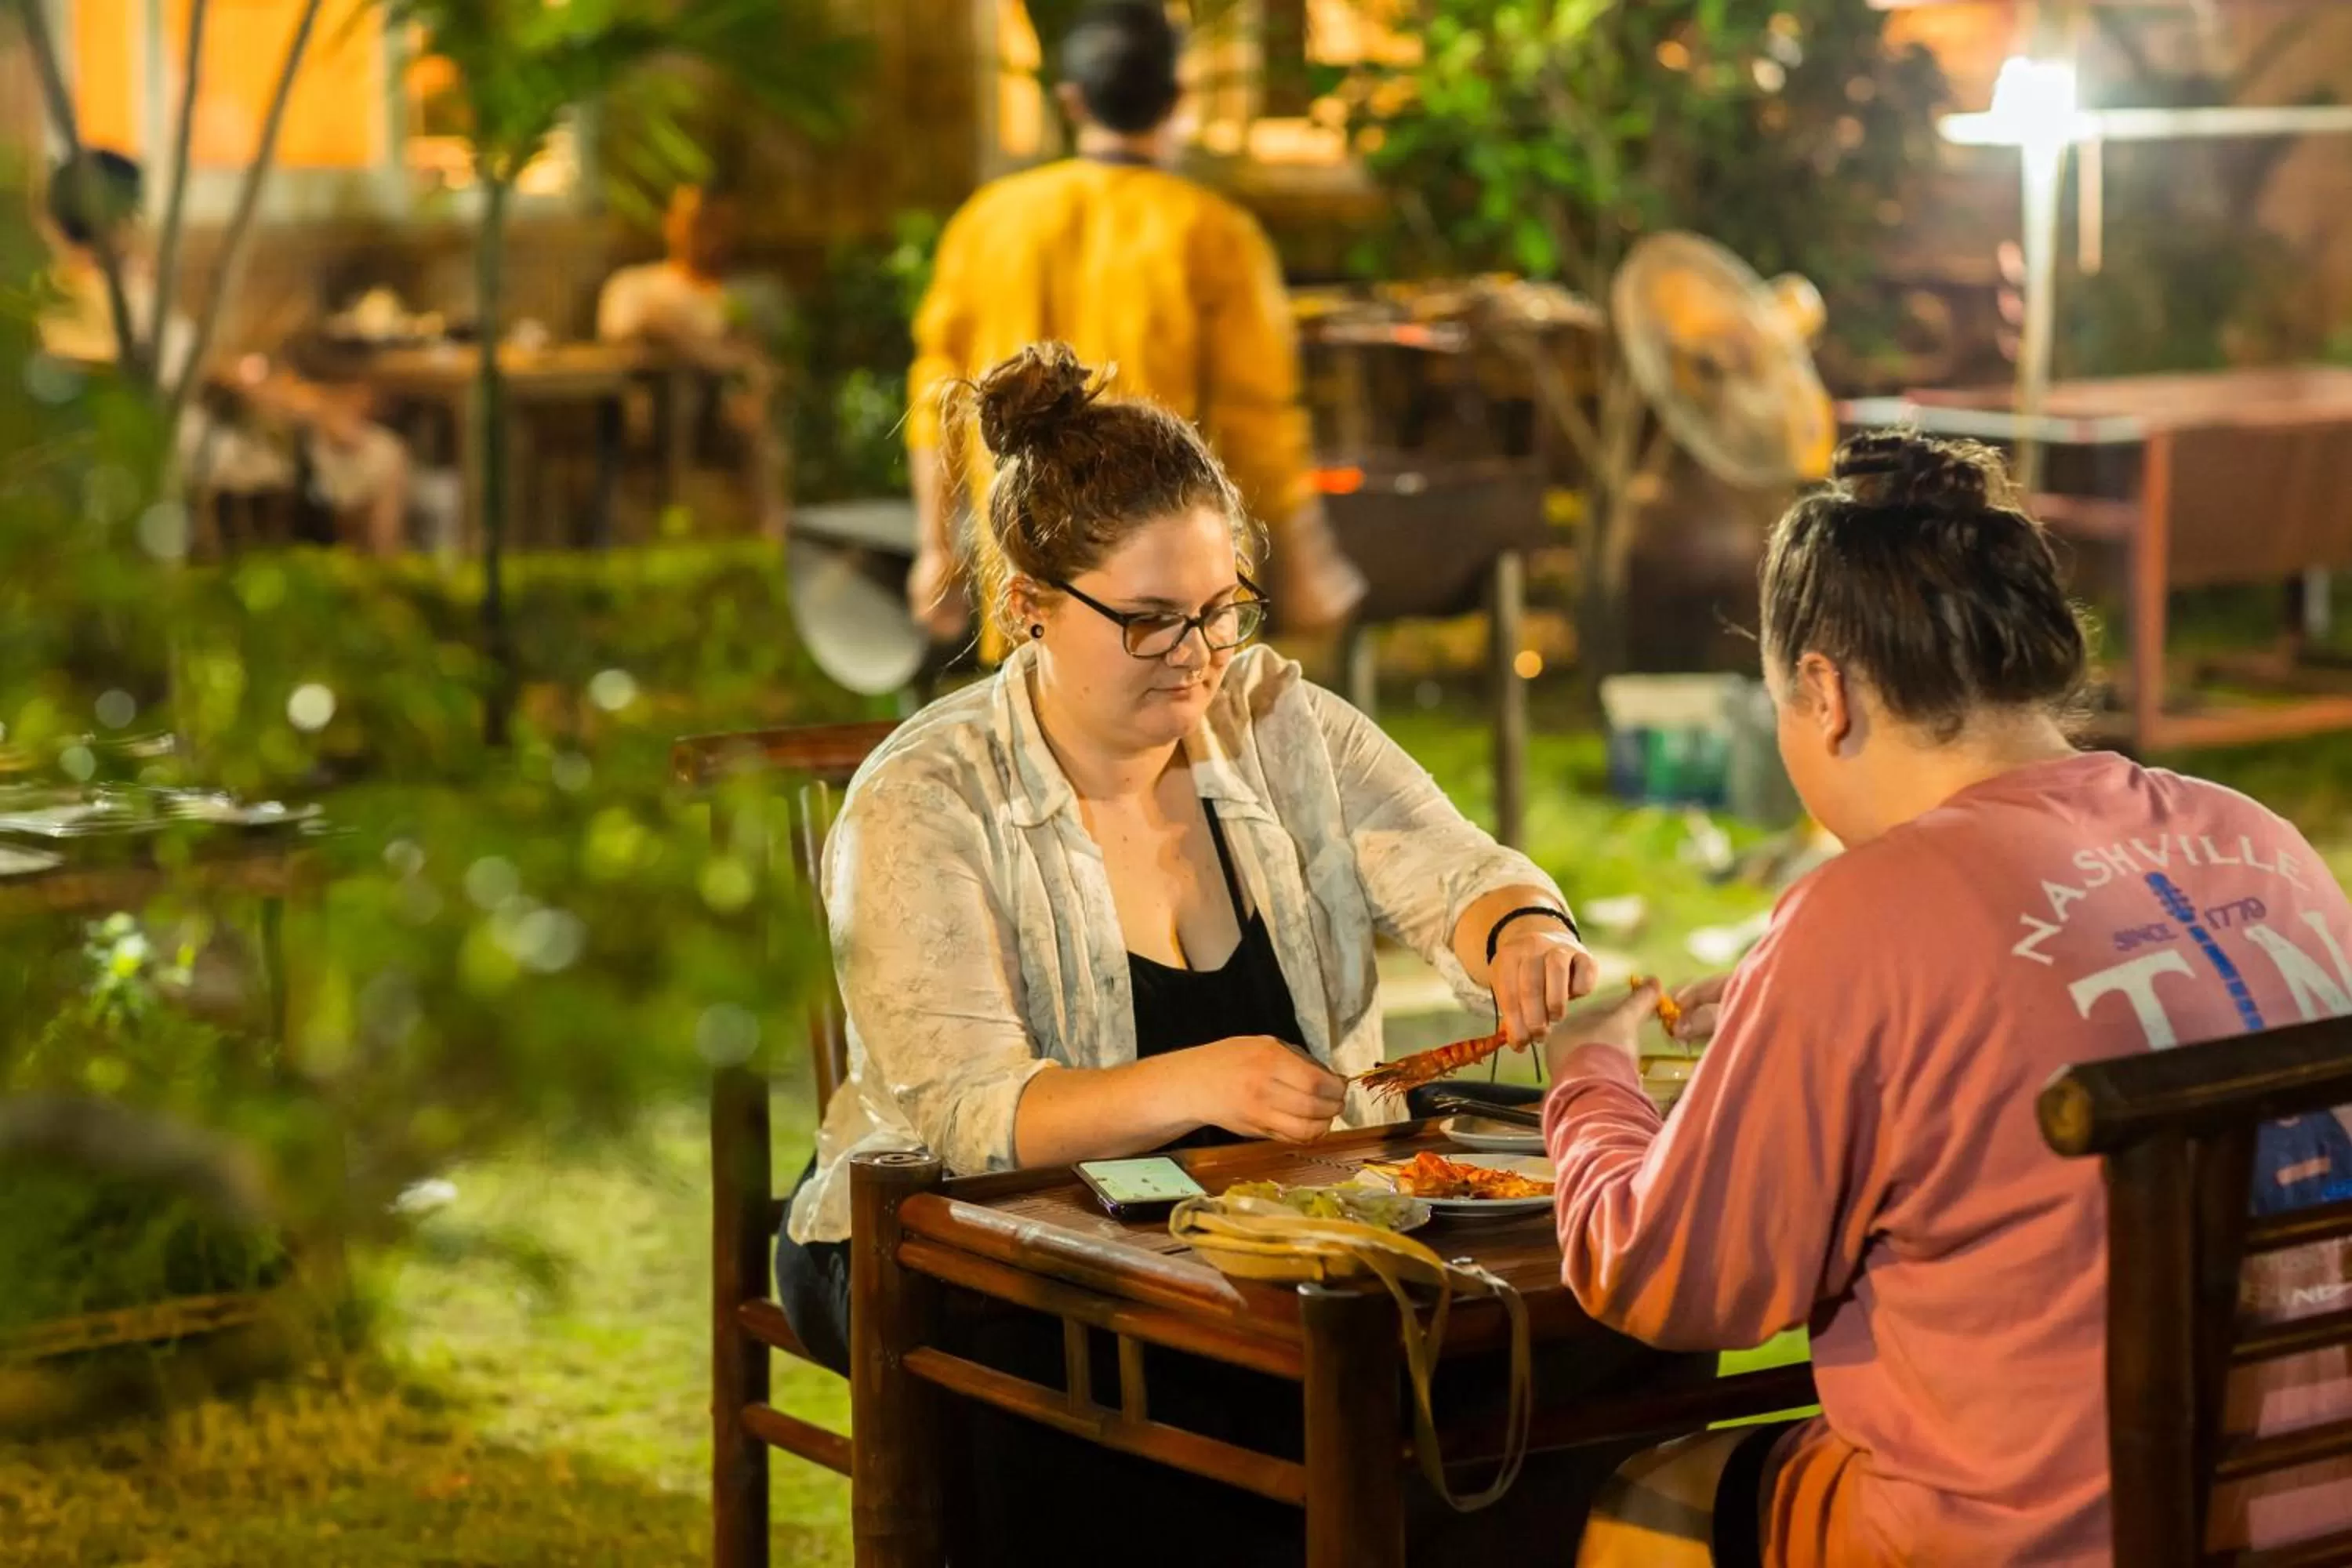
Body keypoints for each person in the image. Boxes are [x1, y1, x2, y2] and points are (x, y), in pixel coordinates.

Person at [775, 342, 1674, 1566]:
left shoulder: (1272, 719)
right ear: (1028, 605)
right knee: (1148, 1383)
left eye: (1218, 608)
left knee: (1585, 1320)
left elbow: (1454, 866)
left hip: (1236, 1217)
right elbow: (969, 1115)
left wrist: (1521, 931)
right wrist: (1201, 1083)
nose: (1198, 655)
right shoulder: (926, 800)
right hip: (950, 1229)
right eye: (1150, 622)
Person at [1537, 431, 2352, 1566]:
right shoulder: (2257, 837)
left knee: (1655, 1492)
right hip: (2315, 1509)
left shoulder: (1865, 913)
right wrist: (1792, 1002)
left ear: (1823, 692)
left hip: (2056, 1537)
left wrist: (1589, 1072)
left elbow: (1664, 1278)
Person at [903, 0, 1365, 653]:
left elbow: (937, 397)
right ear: (1178, 99)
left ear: (1071, 101)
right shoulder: (1214, 233)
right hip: (1175, 606)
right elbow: (1259, 416)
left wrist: (936, 551)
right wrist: (1307, 561)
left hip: (1028, 580)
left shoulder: (989, 223)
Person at [40, 149, 410, 555]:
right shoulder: (129, 300)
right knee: (383, 456)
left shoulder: (44, 295)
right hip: (186, 458)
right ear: (124, 219)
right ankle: (372, 591)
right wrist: (323, 411)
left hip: (93, 470)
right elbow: (218, 374)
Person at [595, 183, 787, 540]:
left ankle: (773, 534)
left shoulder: (750, 294)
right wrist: (709, 351)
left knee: (755, 409)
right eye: (697, 221)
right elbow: (622, 332)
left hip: (727, 416)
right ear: (671, 223)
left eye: (719, 222)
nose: (707, 233)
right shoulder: (635, 285)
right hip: (650, 415)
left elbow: (764, 360)